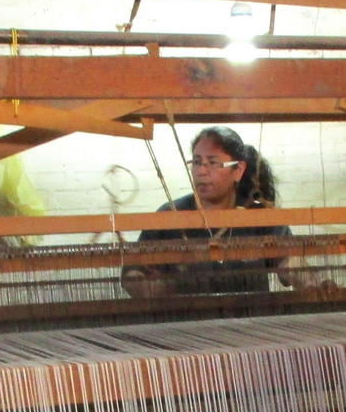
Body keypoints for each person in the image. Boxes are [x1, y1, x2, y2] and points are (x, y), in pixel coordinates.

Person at [123, 126, 310, 299]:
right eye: (197, 162)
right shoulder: (169, 216)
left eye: (212, 163)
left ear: (238, 170)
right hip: (188, 321)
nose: (201, 171)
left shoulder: (258, 216)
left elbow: (290, 262)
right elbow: (132, 273)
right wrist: (151, 288)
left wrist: (313, 284)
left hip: (251, 320)